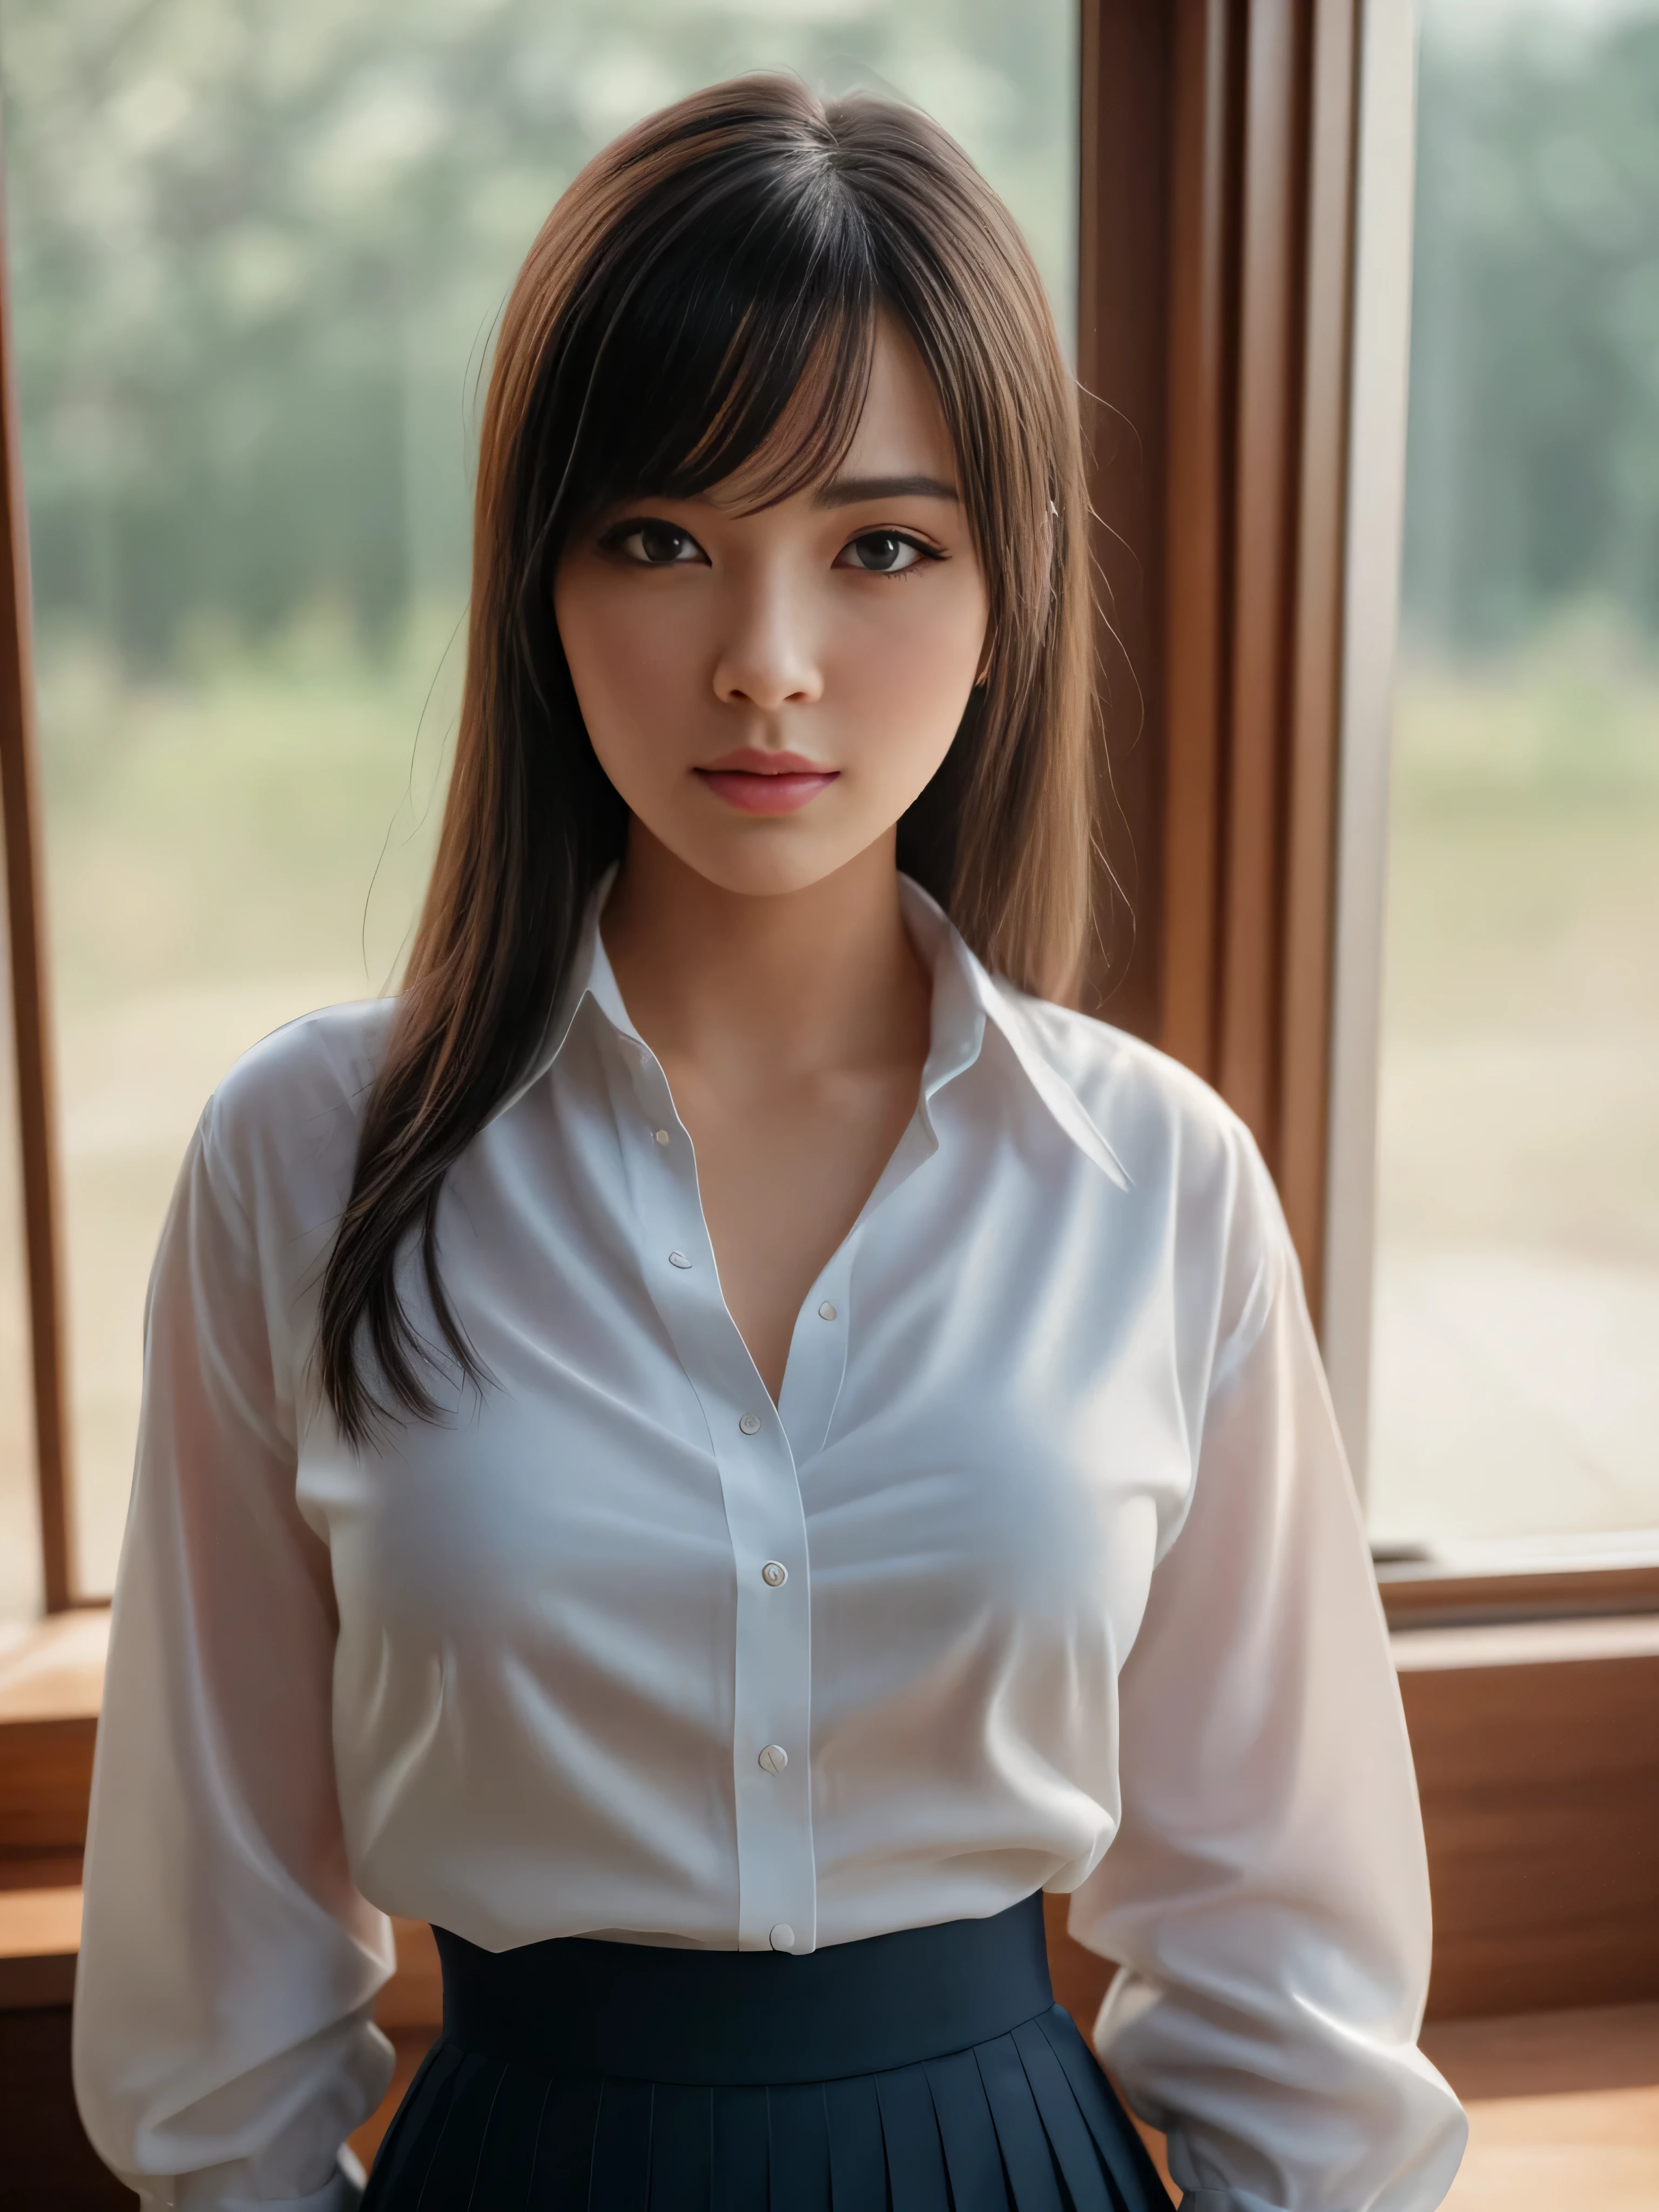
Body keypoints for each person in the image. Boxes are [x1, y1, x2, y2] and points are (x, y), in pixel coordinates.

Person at [72, 76, 1466, 2212]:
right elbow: (214, 1962)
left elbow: (1285, 1948)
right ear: (540, 585)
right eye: (661, 539)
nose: (768, 664)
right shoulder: (309, 1162)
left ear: (1010, 593)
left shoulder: (1153, 1182)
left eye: (882, 545)